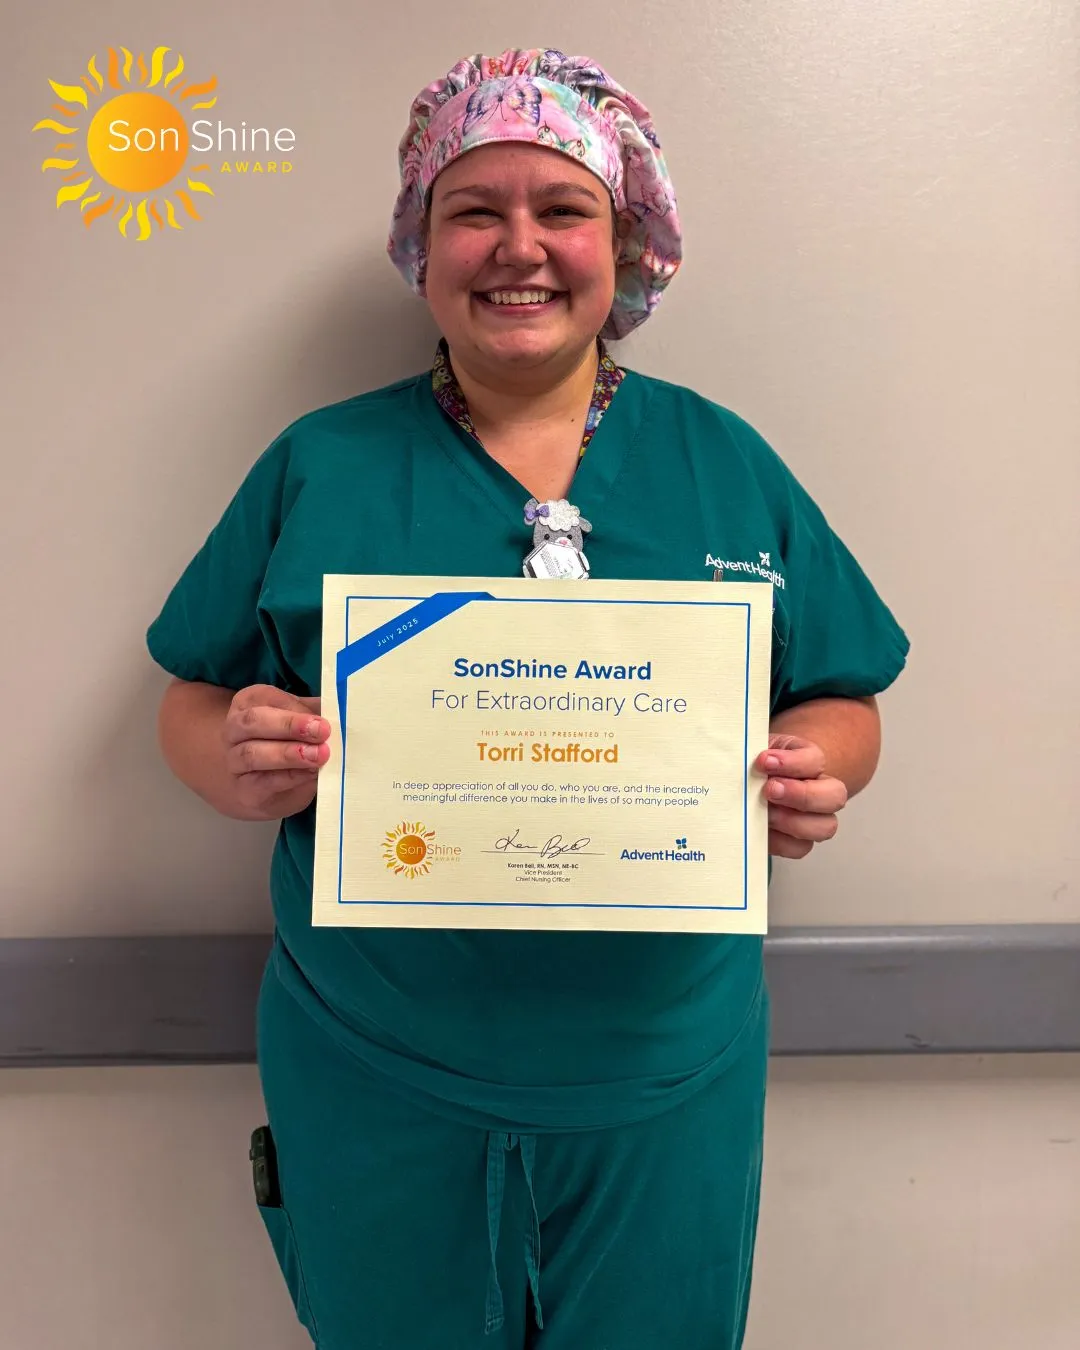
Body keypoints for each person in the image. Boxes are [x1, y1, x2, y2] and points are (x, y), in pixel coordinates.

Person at [147, 48, 908, 1350]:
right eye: (473, 210)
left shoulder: (723, 461)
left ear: (628, 241)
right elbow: (191, 690)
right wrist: (232, 753)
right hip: (377, 1072)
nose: (520, 247)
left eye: (562, 210)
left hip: (662, 1080)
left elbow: (847, 694)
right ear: (421, 242)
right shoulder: (320, 466)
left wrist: (809, 762)